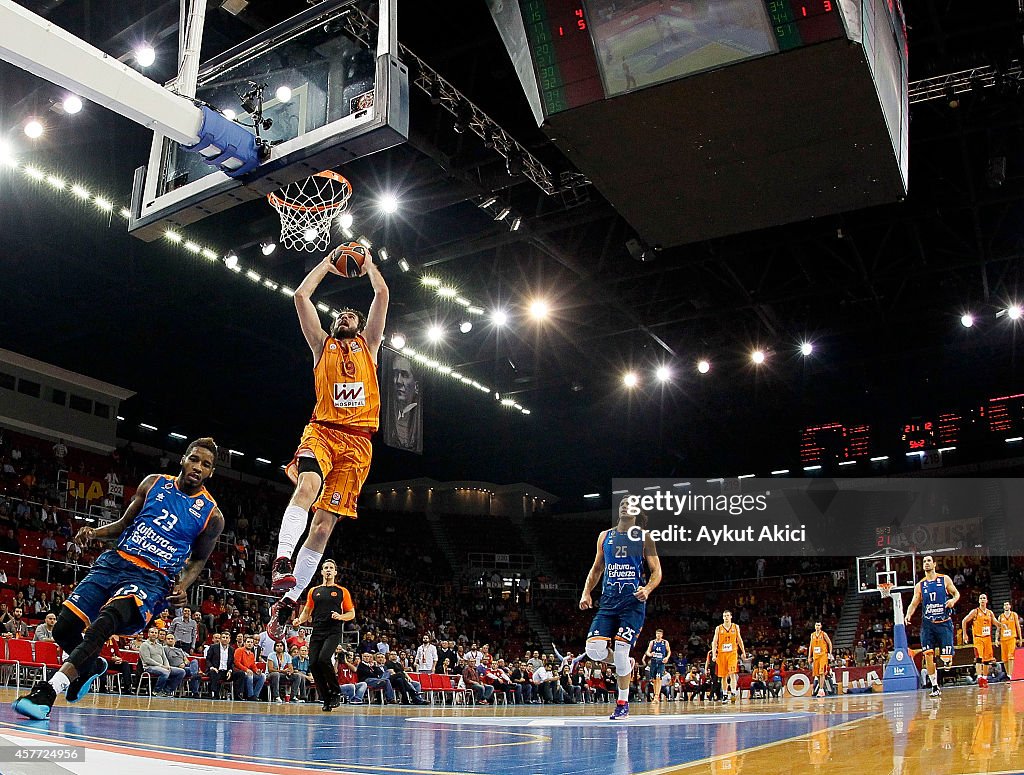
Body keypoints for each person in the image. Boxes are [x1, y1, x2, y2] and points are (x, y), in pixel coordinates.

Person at [12, 438, 223, 720]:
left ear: (210, 473)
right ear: (183, 459)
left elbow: (199, 559)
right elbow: (124, 524)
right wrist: (94, 533)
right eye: (194, 459)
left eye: (206, 465)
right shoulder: (153, 483)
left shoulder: (212, 515)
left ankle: (47, 693)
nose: (198, 467)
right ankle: (88, 666)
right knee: (63, 629)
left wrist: (183, 585)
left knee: (104, 622)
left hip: (152, 578)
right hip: (115, 562)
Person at [268, 245, 388, 636]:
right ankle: (283, 559)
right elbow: (301, 296)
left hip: (358, 445)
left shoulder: (369, 347)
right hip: (323, 430)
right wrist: (327, 264)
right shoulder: (323, 346)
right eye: (340, 314)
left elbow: (382, 295)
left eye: (350, 314)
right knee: (307, 485)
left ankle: (289, 602)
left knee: (322, 529)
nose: (345, 316)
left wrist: (368, 266)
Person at [579, 496, 662, 721]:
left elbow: (656, 572)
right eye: (623, 504)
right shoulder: (605, 536)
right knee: (593, 650)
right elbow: (597, 568)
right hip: (608, 602)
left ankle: (622, 703)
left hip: (632, 603)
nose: (626, 507)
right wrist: (586, 592)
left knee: (622, 649)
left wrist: (647, 589)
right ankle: (624, 663)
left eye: (631, 505)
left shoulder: (645, 537)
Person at [291, 558, 355, 711]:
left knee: (324, 658)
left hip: (333, 630)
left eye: (331, 568)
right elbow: (307, 611)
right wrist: (299, 620)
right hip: (317, 630)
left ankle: (336, 691)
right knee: (313, 663)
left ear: (335, 572)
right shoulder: (314, 591)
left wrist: (340, 617)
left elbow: (351, 613)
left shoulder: (342, 591)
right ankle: (326, 698)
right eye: (325, 567)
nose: (328, 570)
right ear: (321, 572)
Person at [904, 554, 960, 697]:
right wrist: (908, 614)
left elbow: (956, 593)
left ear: (934, 564)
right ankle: (935, 686)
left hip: (944, 623)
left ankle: (947, 661)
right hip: (928, 625)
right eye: (924, 561)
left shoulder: (944, 579)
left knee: (946, 659)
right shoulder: (920, 585)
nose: (926, 563)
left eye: (929, 561)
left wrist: (953, 601)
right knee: (928, 655)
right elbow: (914, 603)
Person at [384, 354, 420, 451]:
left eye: (404, 375)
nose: (398, 381)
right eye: (395, 374)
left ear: (416, 386)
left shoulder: (417, 422)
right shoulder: (389, 417)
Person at [962, 593, 997, 688]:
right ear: (978, 601)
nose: (982, 599)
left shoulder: (990, 613)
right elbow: (964, 621)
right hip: (978, 638)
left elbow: (995, 622)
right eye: (981, 598)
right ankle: (979, 677)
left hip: (987, 639)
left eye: (984, 598)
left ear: (987, 600)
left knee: (986, 661)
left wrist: (1001, 625)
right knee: (979, 659)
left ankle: (985, 678)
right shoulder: (975, 612)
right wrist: (965, 634)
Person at [233, 635, 267, 700]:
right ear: (244, 643)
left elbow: (253, 665)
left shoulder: (251, 654)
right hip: (239, 671)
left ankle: (255, 695)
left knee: (262, 676)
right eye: (248, 642)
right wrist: (246, 670)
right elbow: (237, 663)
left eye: (251, 642)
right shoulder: (239, 650)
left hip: (248, 671)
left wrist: (257, 671)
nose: (250, 644)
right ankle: (250, 695)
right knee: (250, 675)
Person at [644, 629, 671, 702]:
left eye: (660, 634)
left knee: (659, 678)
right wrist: (650, 654)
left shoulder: (665, 642)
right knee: (654, 680)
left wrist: (667, 658)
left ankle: (656, 696)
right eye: (657, 634)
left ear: (662, 635)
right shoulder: (652, 642)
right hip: (653, 662)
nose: (658, 635)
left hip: (661, 662)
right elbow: (647, 651)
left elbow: (669, 651)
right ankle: (655, 695)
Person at [205, 632, 235, 699]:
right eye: (223, 637)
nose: (225, 639)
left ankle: (238, 695)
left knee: (240, 674)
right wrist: (212, 667)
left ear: (229, 640)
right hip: (215, 670)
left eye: (227, 638)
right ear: (220, 639)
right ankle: (215, 694)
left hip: (226, 672)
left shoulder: (232, 649)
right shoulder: (213, 647)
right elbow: (208, 660)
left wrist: (230, 671)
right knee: (214, 673)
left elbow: (233, 662)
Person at [808, 621, 833, 698]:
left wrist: (830, 653)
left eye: (819, 625)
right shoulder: (812, 635)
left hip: (823, 655)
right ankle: (821, 689)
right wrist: (809, 656)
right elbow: (810, 646)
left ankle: (821, 690)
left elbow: (829, 643)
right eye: (816, 625)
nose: (817, 626)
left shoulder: (823, 634)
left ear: (821, 626)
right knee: (817, 674)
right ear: (814, 626)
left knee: (822, 672)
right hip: (815, 656)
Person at [998, 601, 1021, 679]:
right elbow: (998, 628)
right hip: (1003, 639)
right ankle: (1008, 674)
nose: (1006, 606)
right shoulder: (1000, 617)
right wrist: (996, 639)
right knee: (1004, 658)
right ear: (1003, 607)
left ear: (1010, 606)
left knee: (1011, 656)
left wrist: (1020, 638)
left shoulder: (1014, 615)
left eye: (1007, 604)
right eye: (1005, 605)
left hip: (1012, 638)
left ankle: (1010, 675)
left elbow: (1018, 627)